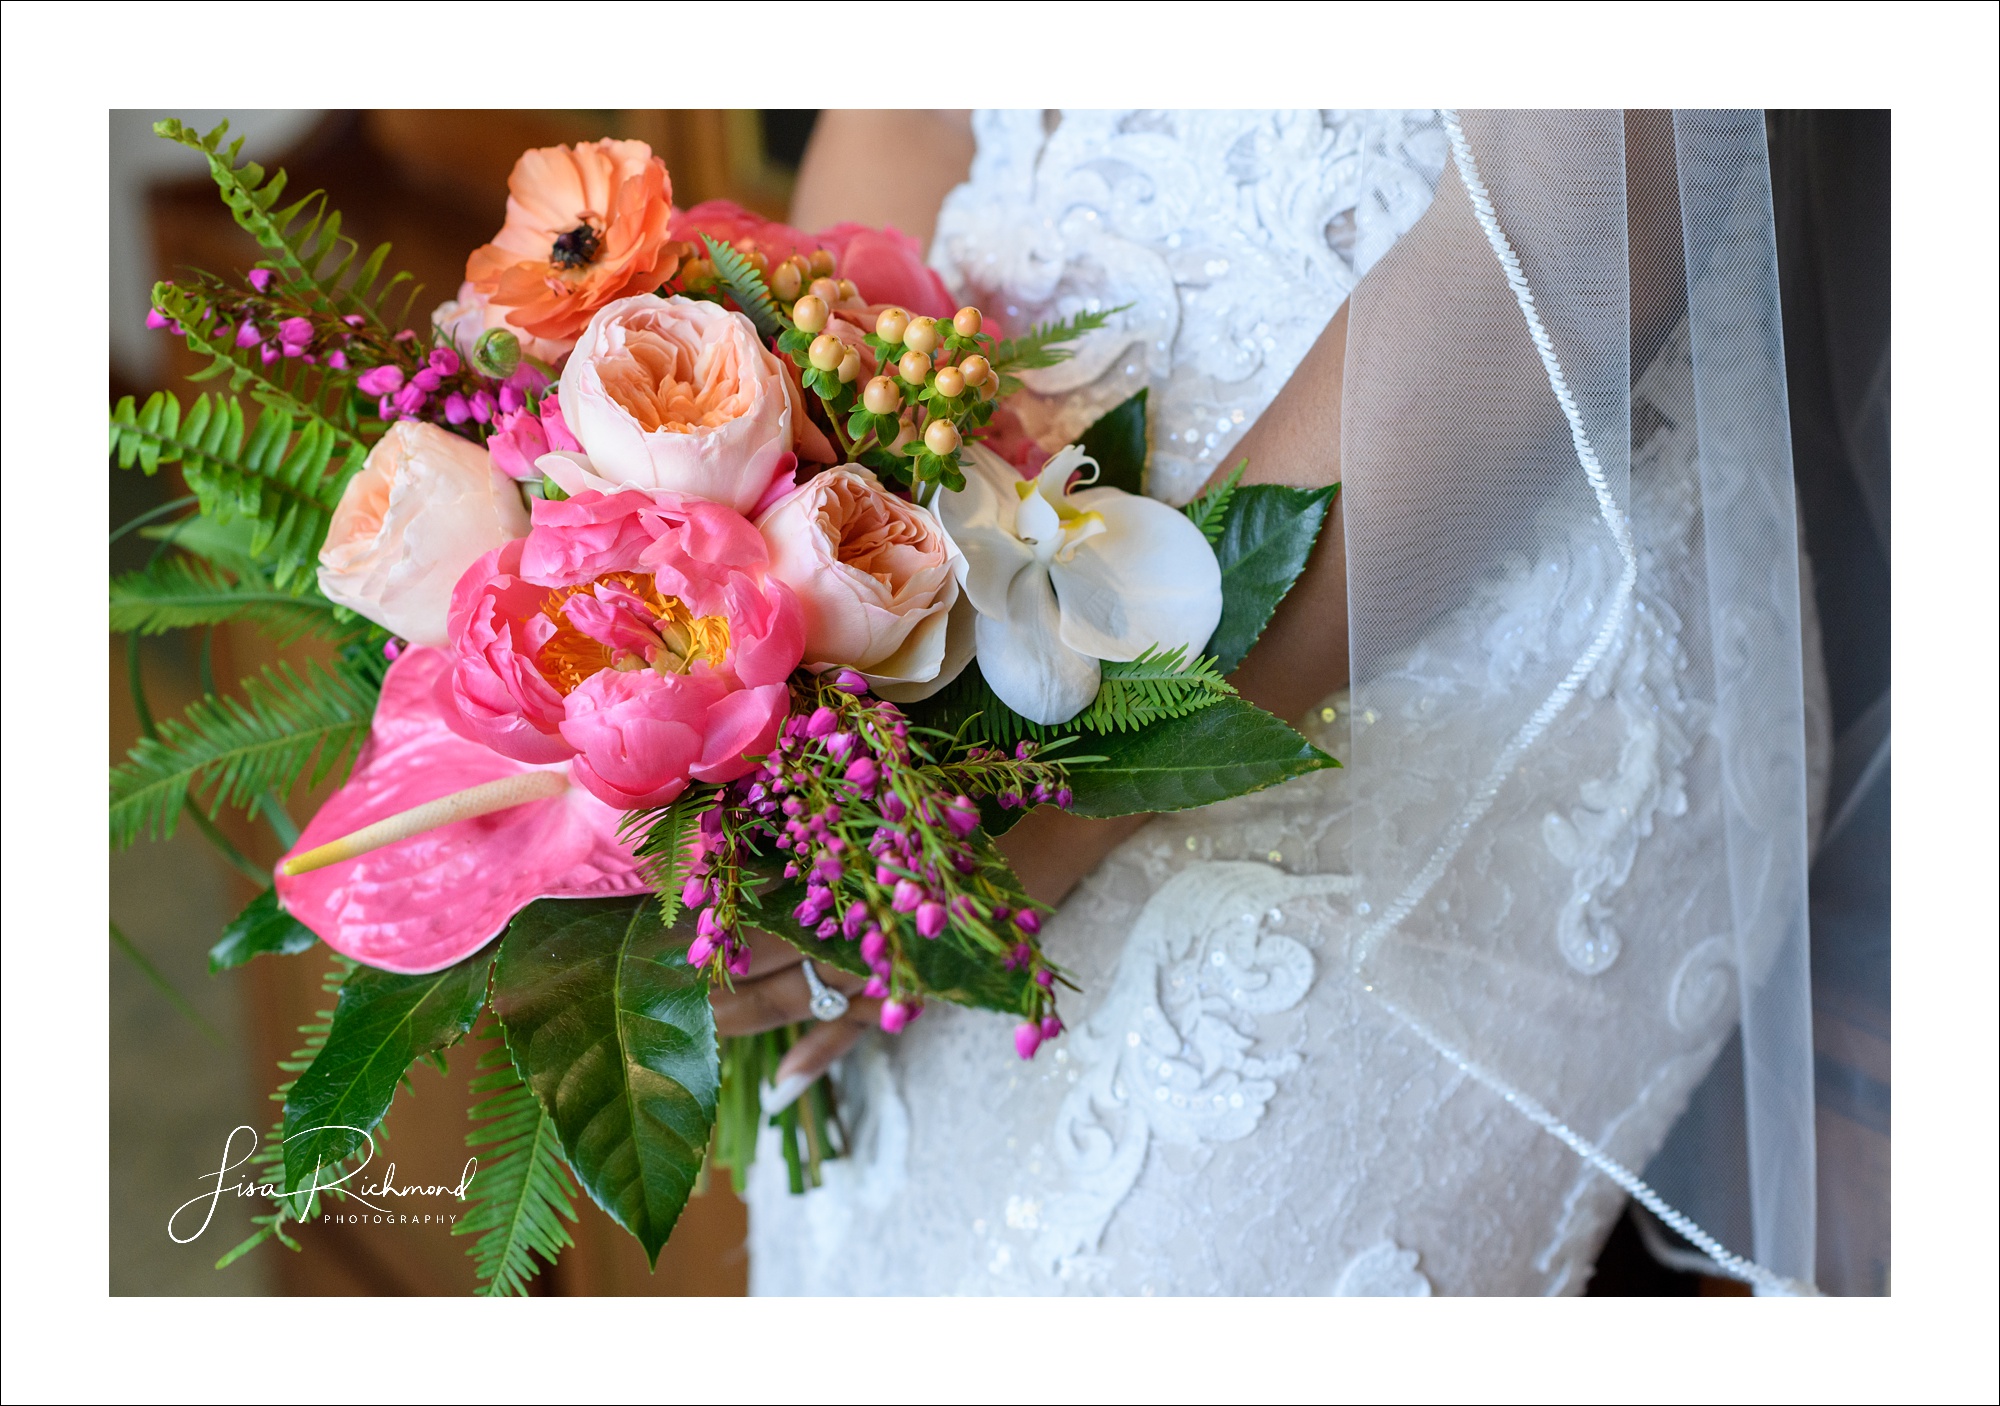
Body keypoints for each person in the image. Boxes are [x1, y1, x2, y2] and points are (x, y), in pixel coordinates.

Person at [716, 110, 1827, 1295]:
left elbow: (1573, 228)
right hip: (977, 598)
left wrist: (1068, 796)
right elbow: (911, 117)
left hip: (1456, 600)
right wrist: (807, 546)